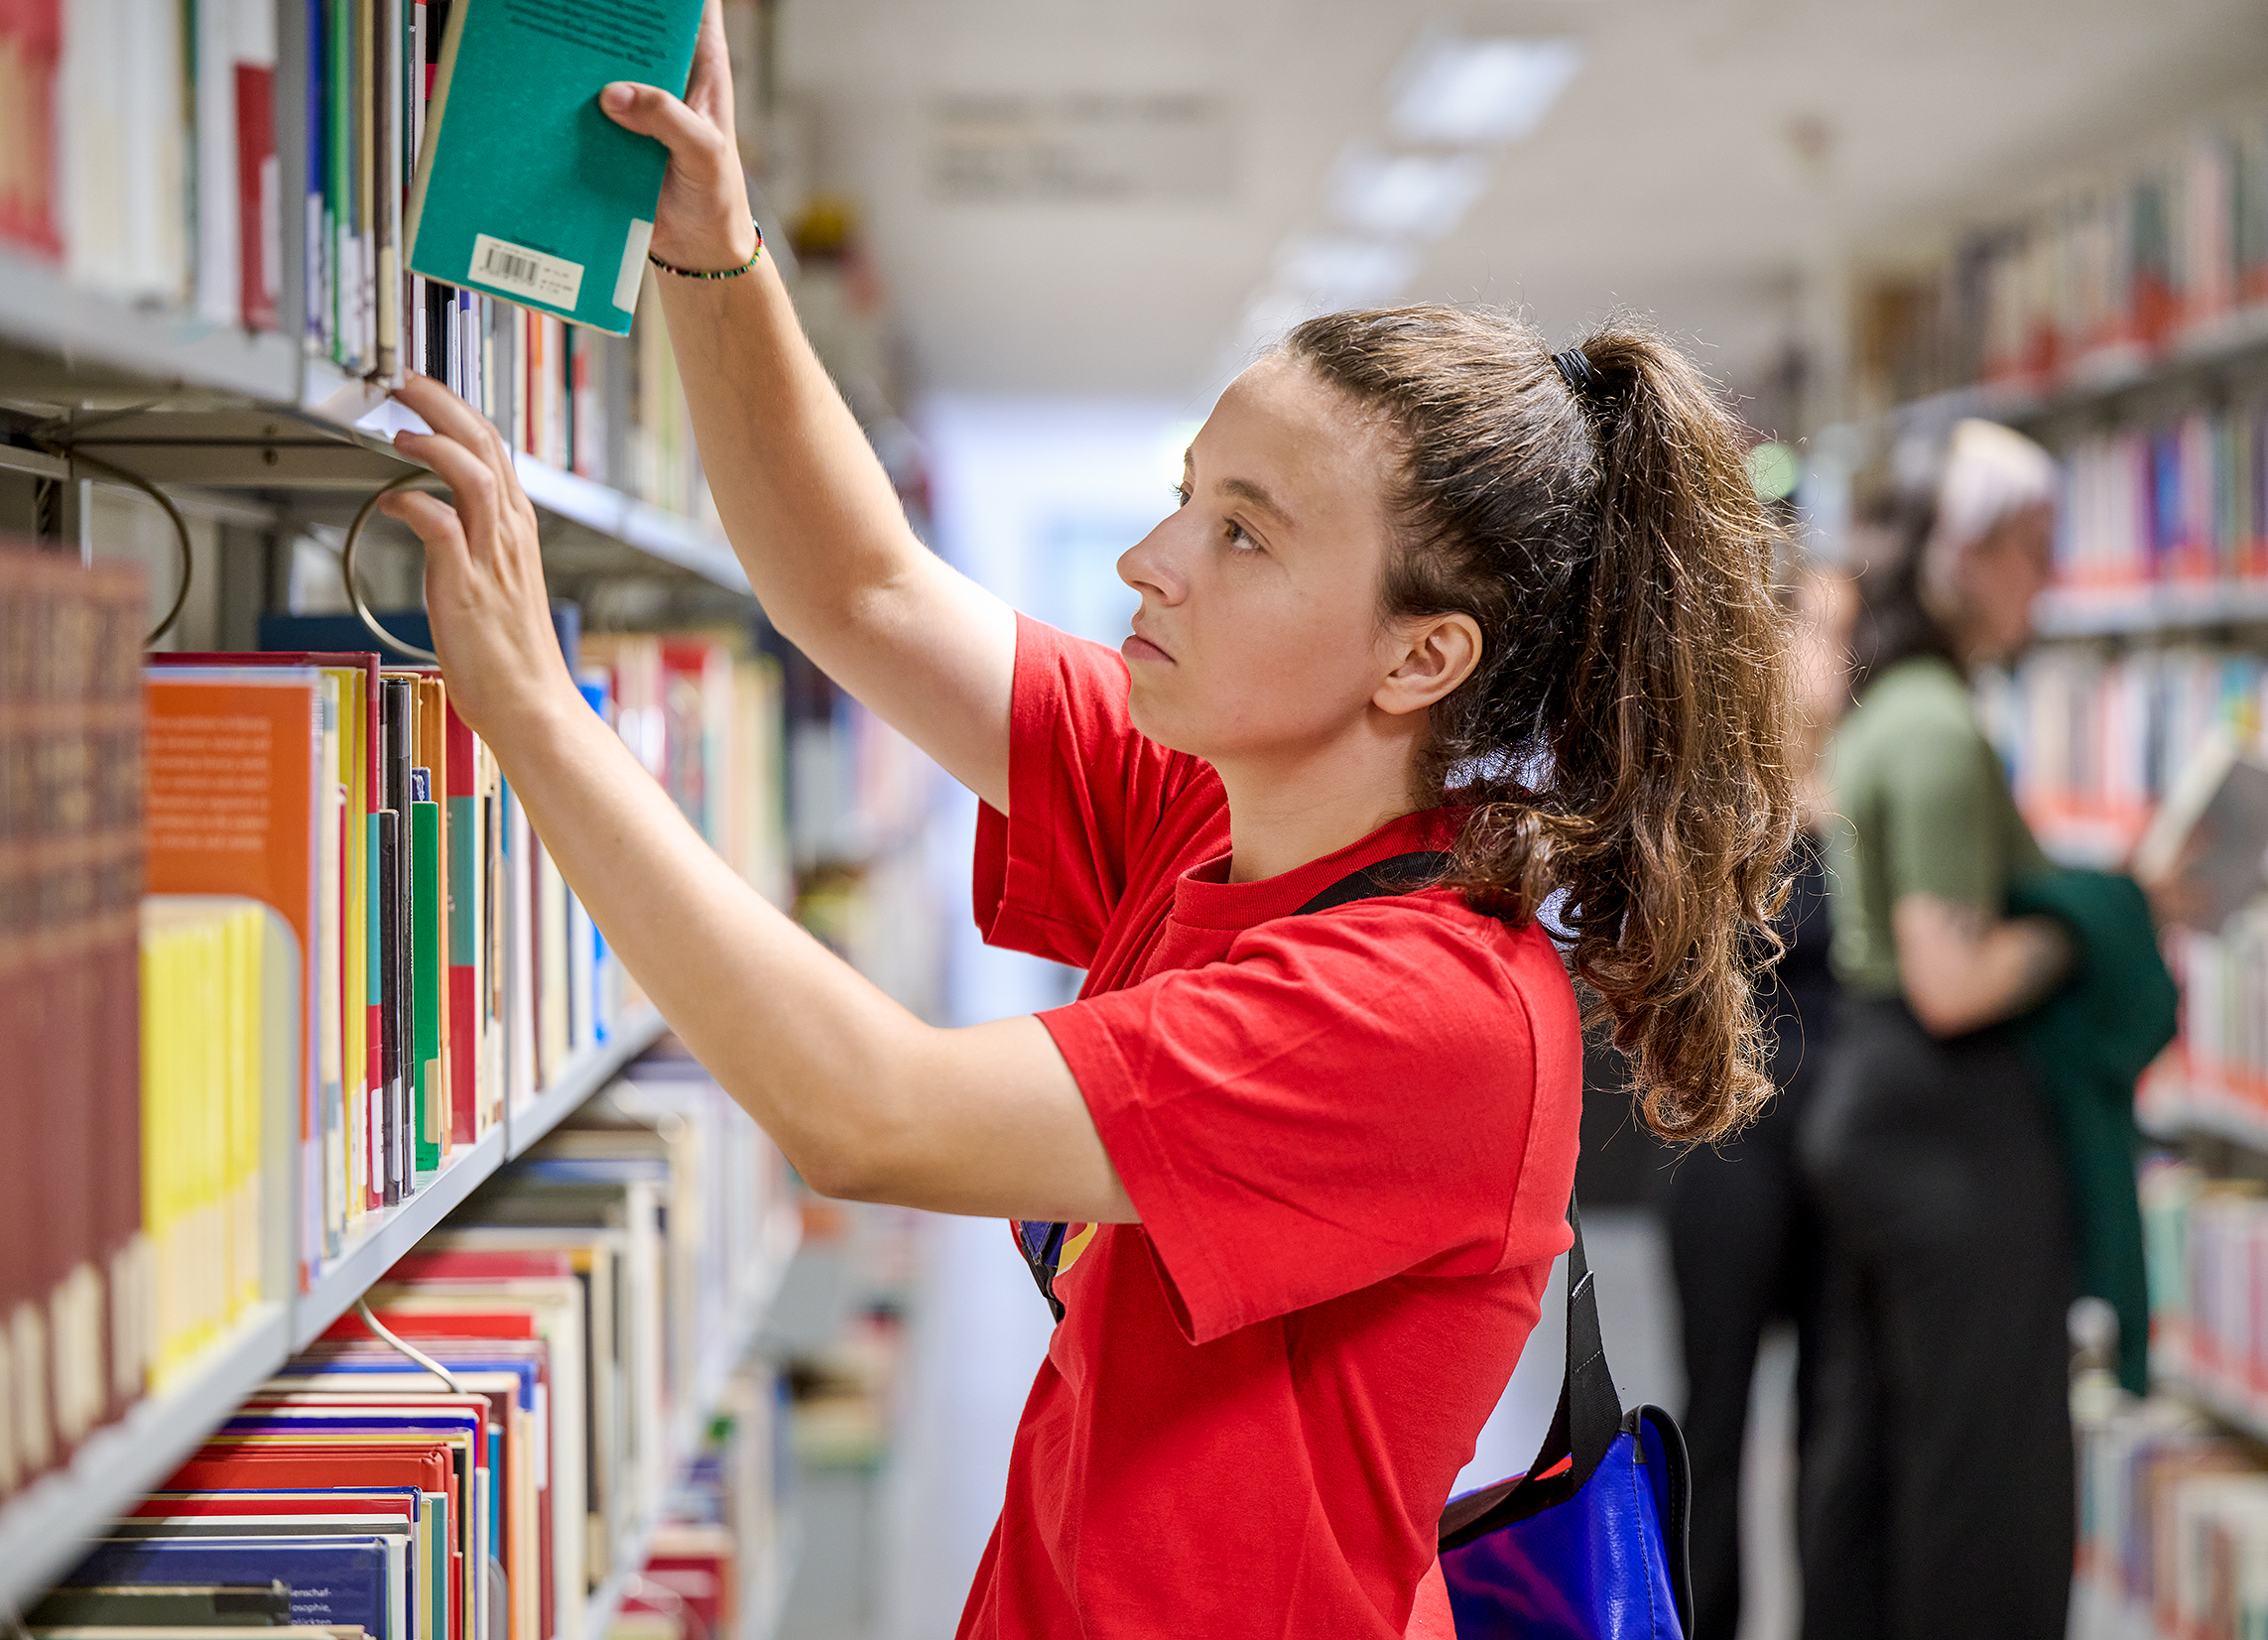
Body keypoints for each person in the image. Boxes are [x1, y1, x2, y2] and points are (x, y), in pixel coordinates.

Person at [370, 11, 1800, 1636]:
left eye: (1244, 534)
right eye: (1191, 489)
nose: (1152, 557)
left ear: (1423, 654)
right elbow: (865, 589)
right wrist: (719, 256)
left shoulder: (1429, 1015)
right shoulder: (1207, 805)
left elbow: (871, 1112)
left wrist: (542, 717)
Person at [1795, 419, 2077, 1640]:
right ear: (1960, 555)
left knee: (1880, 1445)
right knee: (1983, 1466)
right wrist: (2095, 924)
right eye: (2027, 547)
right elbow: (1949, 976)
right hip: (1943, 1117)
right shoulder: (1938, 726)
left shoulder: (1892, 703)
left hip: (1873, 1103)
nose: (2044, 578)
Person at [1663, 557, 1855, 1640]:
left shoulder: (1866, 797)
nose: (1838, 660)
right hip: (1732, 1147)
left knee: (1831, 1421)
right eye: (1819, 632)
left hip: (1842, 1156)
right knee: (1717, 1416)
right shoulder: (1715, 800)